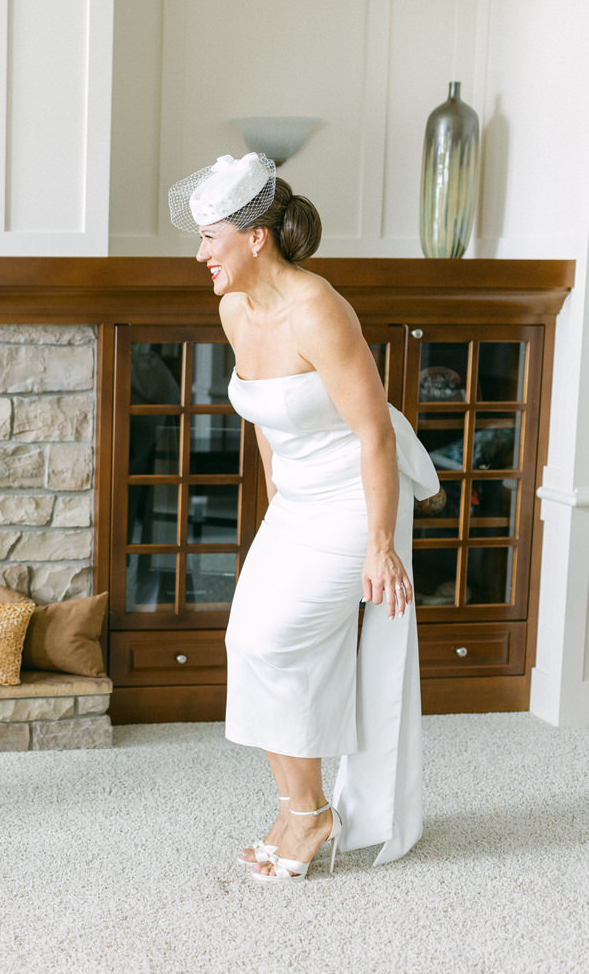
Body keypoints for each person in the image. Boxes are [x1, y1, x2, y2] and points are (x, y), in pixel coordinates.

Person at [166, 153, 439, 882]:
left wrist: (380, 545)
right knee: (250, 641)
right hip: (296, 500)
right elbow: (262, 418)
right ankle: (297, 808)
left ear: (256, 238)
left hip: (354, 496)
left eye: (210, 239)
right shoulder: (233, 308)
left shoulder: (318, 309)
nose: (200, 256)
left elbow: (375, 432)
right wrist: (272, 506)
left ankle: (312, 811)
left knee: (272, 637)